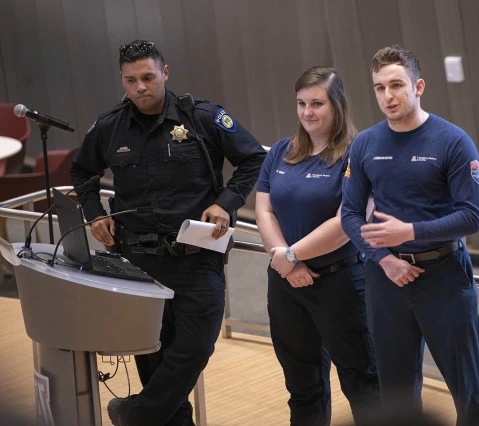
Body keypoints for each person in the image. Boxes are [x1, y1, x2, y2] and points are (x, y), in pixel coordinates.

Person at [70, 40, 266, 426]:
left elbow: (254, 157)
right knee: (152, 353)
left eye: (147, 77)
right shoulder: (109, 127)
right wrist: (93, 213)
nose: (140, 87)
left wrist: (225, 203)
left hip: (197, 258)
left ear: (165, 72)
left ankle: (133, 413)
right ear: (122, 80)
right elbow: (82, 173)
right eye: (131, 80)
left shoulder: (202, 117)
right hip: (139, 261)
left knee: (196, 347)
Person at [341, 45, 479, 425]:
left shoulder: (453, 141)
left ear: (418, 86)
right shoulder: (365, 144)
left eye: (396, 85)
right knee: (395, 393)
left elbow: (472, 217)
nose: (387, 96)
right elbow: (350, 214)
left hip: (442, 275)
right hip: (385, 279)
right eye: (379, 88)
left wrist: (408, 231)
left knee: (468, 389)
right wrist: (385, 260)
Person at [256, 66, 381, 426]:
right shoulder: (282, 150)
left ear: (337, 105)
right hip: (285, 283)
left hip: (339, 284)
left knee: (362, 383)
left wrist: (292, 255)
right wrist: (286, 262)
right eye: (301, 104)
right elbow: (263, 209)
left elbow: (347, 221)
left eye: (317, 103)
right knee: (302, 386)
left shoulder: (358, 153)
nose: (308, 112)